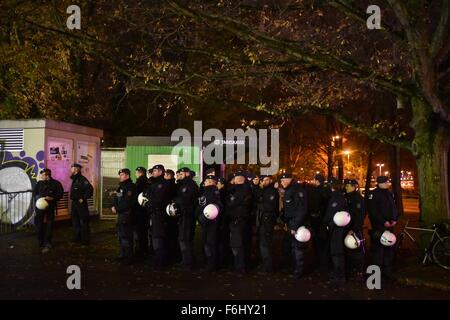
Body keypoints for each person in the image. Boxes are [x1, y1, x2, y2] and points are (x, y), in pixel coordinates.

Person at [368, 176, 398, 281]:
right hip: (379, 227)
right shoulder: (374, 194)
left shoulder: (389, 193)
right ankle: (376, 274)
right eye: (386, 182)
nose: (388, 183)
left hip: (389, 226)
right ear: (380, 183)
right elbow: (373, 211)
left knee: (389, 248)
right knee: (378, 250)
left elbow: (393, 207)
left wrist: (394, 219)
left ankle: (387, 272)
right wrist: (383, 222)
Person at [279, 173, 308, 278]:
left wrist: (295, 226)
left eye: (283, 181)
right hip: (290, 223)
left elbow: (301, 210)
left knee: (297, 248)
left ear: (289, 180)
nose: (281, 183)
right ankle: (293, 267)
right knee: (291, 247)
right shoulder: (289, 190)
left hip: (297, 224)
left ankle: (298, 271)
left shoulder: (297, 190)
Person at [145, 164, 172, 268]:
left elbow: (159, 200)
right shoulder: (154, 183)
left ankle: (160, 261)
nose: (153, 173)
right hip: (154, 213)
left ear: (161, 172)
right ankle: (157, 258)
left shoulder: (162, 184)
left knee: (158, 237)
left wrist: (149, 203)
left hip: (159, 214)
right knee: (154, 236)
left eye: (155, 171)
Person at [226, 171, 253, 273]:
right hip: (240, 219)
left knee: (238, 244)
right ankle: (241, 265)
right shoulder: (243, 189)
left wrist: (231, 202)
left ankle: (240, 267)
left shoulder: (242, 190)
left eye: (236, 178)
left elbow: (232, 203)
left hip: (239, 220)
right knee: (240, 243)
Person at [173, 167, 200, 270]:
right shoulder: (184, 184)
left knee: (185, 239)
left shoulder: (189, 185)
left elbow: (186, 200)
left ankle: (187, 263)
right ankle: (186, 260)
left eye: (182, 173)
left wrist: (176, 200)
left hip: (187, 215)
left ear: (187, 173)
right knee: (184, 238)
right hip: (185, 214)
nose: (180, 174)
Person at [323, 178, 348, 284]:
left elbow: (331, 213)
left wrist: (324, 222)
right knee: (337, 251)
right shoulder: (340, 196)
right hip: (338, 227)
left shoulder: (336, 198)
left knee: (336, 252)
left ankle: (339, 275)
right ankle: (338, 273)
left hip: (336, 228)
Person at [33, 169, 63, 253]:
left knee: (50, 224)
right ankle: (40, 240)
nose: (41, 177)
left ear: (47, 175)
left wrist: (53, 198)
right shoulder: (39, 183)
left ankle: (48, 242)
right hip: (39, 208)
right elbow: (34, 193)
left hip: (50, 207)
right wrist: (39, 198)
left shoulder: (56, 184)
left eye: (42, 175)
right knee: (39, 223)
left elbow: (60, 194)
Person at [197, 174, 223, 271]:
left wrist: (203, 217)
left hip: (210, 222)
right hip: (206, 222)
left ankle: (211, 265)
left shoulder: (212, 192)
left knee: (210, 243)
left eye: (207, 181)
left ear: (212, 182)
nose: (205, 182)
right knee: (208, 243)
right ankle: (210, 263)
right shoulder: (207, 191)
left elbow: (211, 208)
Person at [307, 173, 331, 274]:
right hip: (323, 220)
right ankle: (323, 264)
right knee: (322, 244)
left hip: (318, 220)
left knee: (319, 244)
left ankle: (321, 265)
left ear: (317, 181)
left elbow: (314, 205)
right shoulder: (326, 191)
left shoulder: (316, 191)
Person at [112, 168, 136, 265]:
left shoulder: (130, 187)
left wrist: (117, 208)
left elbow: (128, 202)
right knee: (121, 236)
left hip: (127, 215)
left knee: (126, 236)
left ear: (127, 176)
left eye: (122, 175)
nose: (120, 177)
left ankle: (128, 257)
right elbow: (117, 198)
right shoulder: (120, 187)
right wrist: (114, 206)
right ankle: (122, 255)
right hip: (121, 215)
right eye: (120, 175)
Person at [256, 175, 279, 273]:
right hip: (263, 220)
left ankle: (267, 267)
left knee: (265, 244)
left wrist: (259, 204)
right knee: (263, 244)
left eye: (266, 180)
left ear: (270, 180)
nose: (264, 182)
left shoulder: (272, 191)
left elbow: (269, 207)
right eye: (263, 180)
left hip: (267, 221)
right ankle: (265, 264)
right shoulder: (265, 190)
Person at [344, 179, 366, 280]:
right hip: (347, 228)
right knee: (349, 249)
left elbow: (360, 216)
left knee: (357, 250)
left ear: (354, 187)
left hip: (354, 229)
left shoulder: (358, 199)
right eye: (346, 185)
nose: (346, 187)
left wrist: (354, 229)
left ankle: (359, 271)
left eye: (348, 186)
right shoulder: (347, 197)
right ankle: (351, 269)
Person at [70, 163, 93, 246]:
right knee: (75, 221)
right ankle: (77, 238)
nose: (71, 170)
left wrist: (83, 198)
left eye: (72, 168)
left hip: (81, 204)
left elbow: (90, 189)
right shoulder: (75, 179)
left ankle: (85, 241)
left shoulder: (82, 179)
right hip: (75, 203)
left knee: (83, 222)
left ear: (76, 169)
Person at [134, 166, 149, 259]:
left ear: (140, 173)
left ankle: (140, 252)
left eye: (136, 173)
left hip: (139, 211)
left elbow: (136, 197)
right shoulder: (148, 182)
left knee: (139, 232)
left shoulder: (140, 182)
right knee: (144, 232)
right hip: (145, 210)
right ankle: (144, 250)